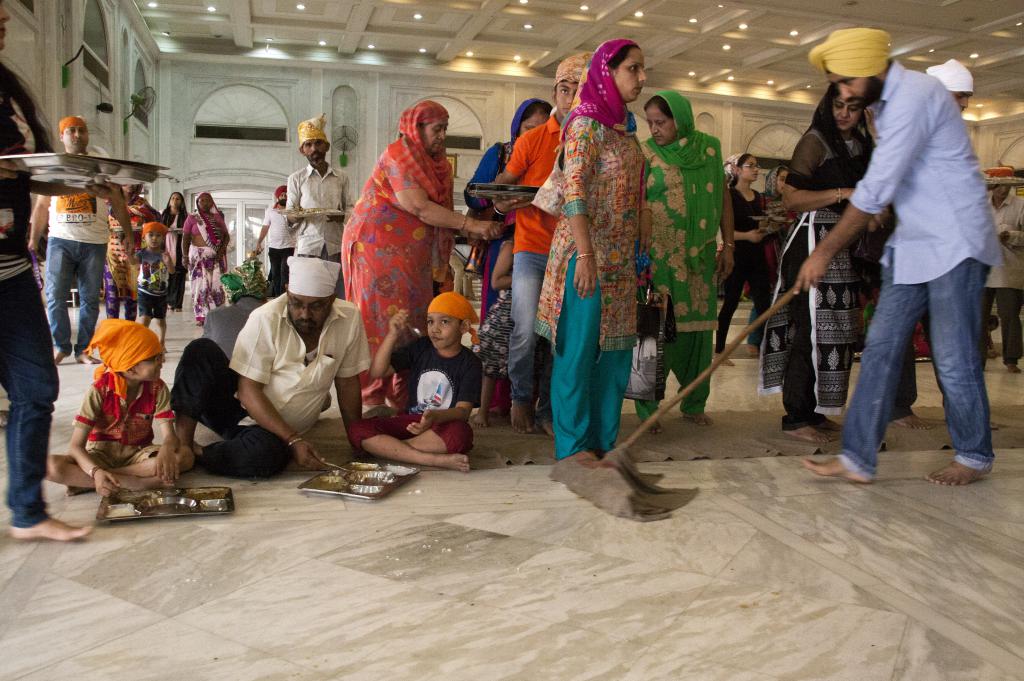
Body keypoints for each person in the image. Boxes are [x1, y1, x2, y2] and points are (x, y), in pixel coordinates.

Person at [797, 28, 1001, 485]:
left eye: (847, 81)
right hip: (912, 246)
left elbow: (875, 189)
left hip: (956, 242)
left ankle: (973, 454)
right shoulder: (883, 108)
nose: (843, 91)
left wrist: (824, 252)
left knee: (952, 357)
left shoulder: (916, 96)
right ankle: (858, 457)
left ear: (871, 69)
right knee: (882, 349)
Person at [342, 100, 501, 413]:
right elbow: (418, 206)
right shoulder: (398, 156)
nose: (441, 135)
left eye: (445, 128)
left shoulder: (438, 164)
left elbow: (437, 210)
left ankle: (404, 394)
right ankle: (374, 395)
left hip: (412, 254)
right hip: (376, 248)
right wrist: (471, 225)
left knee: (413, 320)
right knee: (379, 322)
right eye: (435, 128)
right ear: (416, 128)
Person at [0, 1, 91, 540]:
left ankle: (27, 512)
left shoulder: (9, 89)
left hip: (11, 272)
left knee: (36, 389)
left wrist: (87, 180)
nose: (4, 26)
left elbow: (32, 174)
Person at [535, 39, 649, 467]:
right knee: (578, 352)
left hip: (620, 262)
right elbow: (574, 194)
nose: (642, 78)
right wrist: (585, 256)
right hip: (585, 260)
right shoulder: (585, 126)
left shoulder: (624, 129)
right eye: (633, 69)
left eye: (642, 69)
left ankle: (603, 439)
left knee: (616, 356)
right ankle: (573, 445)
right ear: (608, 71)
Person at [172, 257, 368, 477]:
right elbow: (247, 390)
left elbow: (348, 382)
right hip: (237, 406)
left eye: (316, 306)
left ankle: (200, 453)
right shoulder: (265, 318)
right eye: (296, 303)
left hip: (271, 432)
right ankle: (183, 447)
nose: (304, 314)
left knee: (267, 454)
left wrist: (357, 437)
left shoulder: (349, 319)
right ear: (286, 292)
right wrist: (293, 439)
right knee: (200, 350)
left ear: (332, 300)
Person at [758, 84, 870, 443]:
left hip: (845, 247)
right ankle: (797, 416)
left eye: (853, 107)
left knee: (836, 332)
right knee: (810, 330)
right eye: (838, 105)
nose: (844, 113)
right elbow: (792, 197)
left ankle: (818, 411)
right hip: (811, 242)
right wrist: (842, 193)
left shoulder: (863, 146)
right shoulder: (815, 141)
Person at [493, 52, 588, 435]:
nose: (570, 98)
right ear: (555, 92)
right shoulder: (533, 140)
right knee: (525, 329)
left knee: (559, 335)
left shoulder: (590, 139)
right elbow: (507, 181)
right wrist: (500, 195)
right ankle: (520, 397)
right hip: (532, 247)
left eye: (578, 90)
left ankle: (549, 409)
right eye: (564, 90)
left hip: (570, 252)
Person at [632, 91, 735, 430]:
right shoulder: (646, 152)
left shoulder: (709, 149)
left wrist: (729, 245)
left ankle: (694, 402)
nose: (655, 129)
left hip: (699, 258)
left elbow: (722, 198)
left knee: (699, 333)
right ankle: (650, 409)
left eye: (661, 122)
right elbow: (638, 200)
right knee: (657, 329)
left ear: (680, 119)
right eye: (650, 123)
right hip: (659, 257)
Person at [46, 319, 193, 495]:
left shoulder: (157, 388)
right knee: (49, 466)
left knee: (185, 455)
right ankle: (134, 482)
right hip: (100, 456)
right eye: (155, 358)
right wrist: (96, 471)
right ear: (130, 368)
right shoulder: (99, 391)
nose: (162, 361)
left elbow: (170, 436)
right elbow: (76, 447)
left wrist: (167, 449)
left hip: (138, 455)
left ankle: (95, 481)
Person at [28, 115, 132, 364]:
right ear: (62, 135)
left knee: (89, 299)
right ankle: (61, 345)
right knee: (54, 295)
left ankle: (83, 349)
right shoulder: (55, 166)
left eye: (81, 131)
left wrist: (128, 234)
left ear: (87, 135)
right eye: (71, 131)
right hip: (60, 240)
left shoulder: (100, 166)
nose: (76, 135)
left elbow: (117, 201)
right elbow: (42, 205)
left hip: (94, 242)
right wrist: (33, 238)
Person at [347, 292, 481, 472]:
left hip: (441, 425)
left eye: (444, 322)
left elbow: (463, 412)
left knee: (461, 434)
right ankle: (431, 459)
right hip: (411, 423)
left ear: (464, 326)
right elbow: (378, 372)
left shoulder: (470, 363)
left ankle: (390, 449)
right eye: (430, 321)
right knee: (356, 428)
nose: (435, 329)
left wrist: (435, 416)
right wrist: (392, 335)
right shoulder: (421, 347)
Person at [465, 98, 552, 319]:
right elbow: (472, 196)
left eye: (541, 130)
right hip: (502, 241)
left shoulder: (557, 155)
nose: (534, 135)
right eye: (528, 128)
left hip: (543, 242)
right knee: (499, 309)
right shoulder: (501, 153)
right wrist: (497, 200)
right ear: (517, 127)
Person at [716, 153, 772, 359]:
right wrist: (748, 236)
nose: (756, 169)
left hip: (757, 257)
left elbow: (761, 225)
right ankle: (720, 350)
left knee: (764, 303)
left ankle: (765, 347)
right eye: (751, 166)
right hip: (737, 255)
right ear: (737, 170)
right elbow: (725, 229)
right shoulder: (729, 195)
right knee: (730, 302)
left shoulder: (759, 197)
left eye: (757, 166)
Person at [287, 114, 349, 295]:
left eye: (318, 143)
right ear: (302, 150)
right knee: (308, 294)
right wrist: (296, 215)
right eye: (308, 145)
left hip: (334, 245)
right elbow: (290, 213)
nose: (314, 149)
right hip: (308, 245)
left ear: (327, 147)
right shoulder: (296, 179)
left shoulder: (341, 177)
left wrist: (342, 216)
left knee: (335, 295)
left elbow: (351, 207)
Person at [982, 180, 1024, 373]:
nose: (1003, 190)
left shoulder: (1020, 205)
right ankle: (977, 357)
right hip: (983, 269)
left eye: (1006, 186)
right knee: (978, 315)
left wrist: (1011, 236)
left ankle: (1011, 358)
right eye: (999, 185)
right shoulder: (981, 204)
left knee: (1009, 315)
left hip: (1008, 269)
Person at [103, 184, 160, 322]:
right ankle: (112, 330)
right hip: (112, 254)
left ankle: (129, 328)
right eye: (127, 181)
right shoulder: (108, 201)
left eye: (134, 182)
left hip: (134, 254)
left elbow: (156, 219)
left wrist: (143, 214)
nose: (131, 185)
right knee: (112, 294)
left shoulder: (142, 203)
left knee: (132, 295)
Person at [473, 239, 513, 427]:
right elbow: (496, 281)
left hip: (533, 311)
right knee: (491, 366)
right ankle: (483, 411)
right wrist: (531, 276)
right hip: (505, 315)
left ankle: (520, 407)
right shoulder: (510, 245)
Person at [204, 258, 269, 359]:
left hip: (224, 372)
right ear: (264, 289)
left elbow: (204, 352)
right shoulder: (278, 316)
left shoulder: (214, 316)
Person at [183, 191, 229, 326]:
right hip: (196, 257)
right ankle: (201, 315)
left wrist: (219, 254)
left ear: (212, 202)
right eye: (201, 200)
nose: (204, 203)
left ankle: (216, 313)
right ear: (197, 202)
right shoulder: (192, 218)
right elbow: (185, 238)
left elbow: (226, 237)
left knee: (215, 284)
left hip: (213, 256)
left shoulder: (218, 217)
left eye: (207, 200)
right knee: (199, 286)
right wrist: (184, 256)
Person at [129, 221, 173, 346]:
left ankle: (161, 341)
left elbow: (171, 271)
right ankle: (143, 343)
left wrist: (168, 261)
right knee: (144, 319)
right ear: (144, 237)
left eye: (158, 235)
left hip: (161, 293)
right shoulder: (142, 253)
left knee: (160, 320)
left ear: (163, 238)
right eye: (151, 235)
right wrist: (129, 254)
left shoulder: (165, 254)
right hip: (144, 292)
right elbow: (133, 262)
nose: (154, 238)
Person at [256, 185, 295, 297]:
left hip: (288, 247)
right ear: (278, 197)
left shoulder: (293, 211)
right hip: (273, 248)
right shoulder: (270, 211)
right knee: (275, 274)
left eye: (286, 195)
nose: (284, 196)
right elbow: (265, 227)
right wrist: (259, 242)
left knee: (284, 273)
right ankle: (277, 297)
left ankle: (283, 298)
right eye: (282, 195)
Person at [161, 191, 188, 312]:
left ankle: (178, 304)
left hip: (180, 247)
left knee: (179, 275)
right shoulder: (164, 214)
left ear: (181, 201)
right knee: (167, 276)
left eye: (178, 199)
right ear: (169, 200)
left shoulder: (185, 216)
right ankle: (168, 301)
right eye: (173, 198)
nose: (175, 200)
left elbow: (188, 232)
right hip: (166, 246)